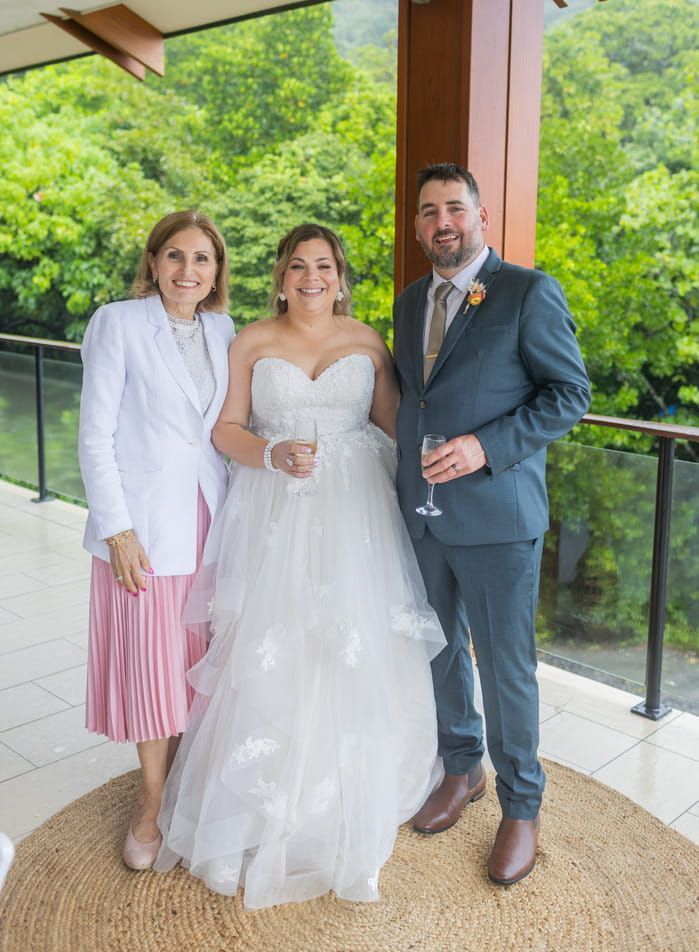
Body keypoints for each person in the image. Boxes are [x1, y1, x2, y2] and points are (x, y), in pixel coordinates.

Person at [155, 223, 445, 908]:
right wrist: (273, 451)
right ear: (280, 278)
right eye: (296, 267)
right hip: (274, 513)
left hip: (356, 516)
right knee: (273, 650)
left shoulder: (367, 340)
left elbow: (392, 426)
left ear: (340, 278)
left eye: (323, 266)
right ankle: (260, 805)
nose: (310, 277)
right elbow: (225, 429)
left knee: (349, 649)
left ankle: (346, 803)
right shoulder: (250, 341)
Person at [393, 163, 591, 885]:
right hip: (420, 515)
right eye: (427, 211)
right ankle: (460, 768)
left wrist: (485, 446)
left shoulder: (526, 292)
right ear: (417, 225)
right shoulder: (411, 300)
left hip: (498, 518)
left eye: (453, 207)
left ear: (479, 215)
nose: (440, 221)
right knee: (437, 650)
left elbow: (568, 394)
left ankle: (520, 804)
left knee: (506, 667)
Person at [78, 210, 235, 871]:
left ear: (217, 272)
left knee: (195, 663)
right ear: (153, 261)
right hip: (142, 528)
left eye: (202, 259)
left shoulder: (225, 330)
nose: (187, 271)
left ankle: (190, 787)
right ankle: (150, 801)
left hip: (211, 518)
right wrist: (117, 529)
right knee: (150, 670)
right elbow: (95, 435)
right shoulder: (117, 322)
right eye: (175, 256)